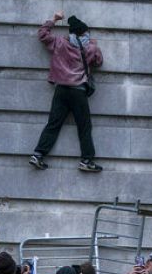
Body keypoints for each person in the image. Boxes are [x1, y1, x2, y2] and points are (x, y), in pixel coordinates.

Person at [30, 12, 104, 173]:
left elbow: (42, 34)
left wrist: (54, 19)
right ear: (84, 32)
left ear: (70, 32)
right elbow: (98, 62)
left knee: (53, 124)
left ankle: (38, 154)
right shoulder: (91, 47)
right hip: (78, 91)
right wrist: (93, 45)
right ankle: (86, 160)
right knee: (84, 126)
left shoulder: (60, 43)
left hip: (61, 89)